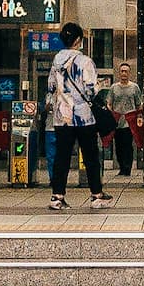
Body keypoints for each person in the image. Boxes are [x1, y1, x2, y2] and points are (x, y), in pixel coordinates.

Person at [45, 23, 110, 211]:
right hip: (83, 117)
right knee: (90, 155)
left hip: (62, 116)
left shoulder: (56, 61)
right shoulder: (85, 61)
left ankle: (57, 196)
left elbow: (50, 87)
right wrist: (100, 85)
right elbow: (90, 90)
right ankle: (96, 195)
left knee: (62, 157)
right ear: (78, 40)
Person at [106, 62, 142, 178]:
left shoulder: (134, 87)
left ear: (129, 73)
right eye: (122, 71)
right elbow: (109, 103)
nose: (124, 73)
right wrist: (111, 114)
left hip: (129, 122)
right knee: (119, 146)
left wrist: (138, 118)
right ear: (119, 73)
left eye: (126, 71)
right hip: (117, 122)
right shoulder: (114, 87)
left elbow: (139, 104)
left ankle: (127, 168)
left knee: (128, 146)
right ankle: (121, 167)